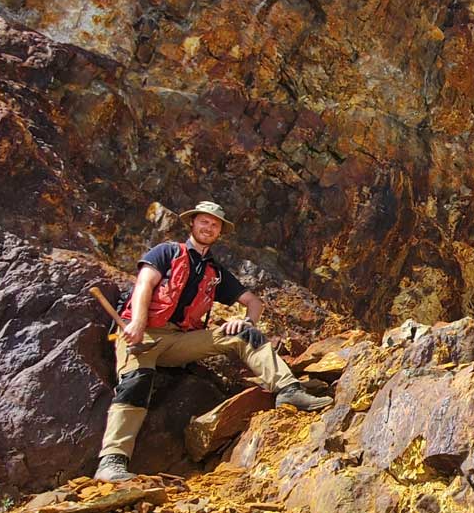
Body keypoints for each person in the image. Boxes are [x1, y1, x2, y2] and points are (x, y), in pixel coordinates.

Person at [94, 201, 331, 482]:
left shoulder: (215, 272)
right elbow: (144, 283)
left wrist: (247, 321)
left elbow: (254, 303)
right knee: (136, 381)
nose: (208, 227)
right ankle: (111, 462)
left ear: (220, 232)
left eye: (215, 224)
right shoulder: (167, 252)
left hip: (179, 341)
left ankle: (288, 389)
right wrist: (136, 322)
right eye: (204, 221)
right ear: (192, 223)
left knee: (245, 335)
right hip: (142, 335)